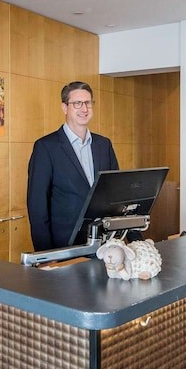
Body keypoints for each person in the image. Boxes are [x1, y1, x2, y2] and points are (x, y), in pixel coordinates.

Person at [26, 81, 119, 251]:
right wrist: (45, 255)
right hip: (64, 246)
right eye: (77, 103)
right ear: (65, 107)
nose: (84, 109)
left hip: (103, 244)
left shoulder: (104, 145)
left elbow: (116, 194)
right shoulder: (46, 147)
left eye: (88, 103)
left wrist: (133, 238)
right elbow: (37, 206)